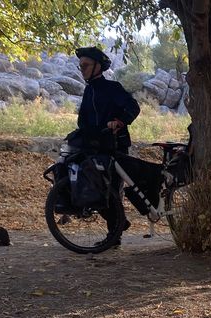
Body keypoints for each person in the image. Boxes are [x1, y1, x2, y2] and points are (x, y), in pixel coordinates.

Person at [75, 46, 141, 246]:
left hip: (115, 146)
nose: (82, 69)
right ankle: (120, 222)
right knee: (93, 185)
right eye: (80, 66)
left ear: (97, 66)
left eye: (85, 65)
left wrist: (119, 121)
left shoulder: (113, 88)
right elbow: (82, 120)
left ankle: (114, 235)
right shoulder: (88, 90)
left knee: (112, 188)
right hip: (95, 146)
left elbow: (133, 107)